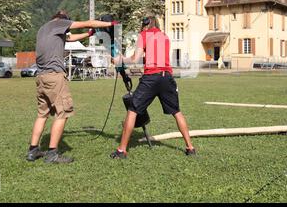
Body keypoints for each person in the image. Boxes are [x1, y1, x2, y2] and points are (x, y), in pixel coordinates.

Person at [27, 10, 118, 164]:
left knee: (42, 114)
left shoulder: (44, 29)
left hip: (41, 77)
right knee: (63, 113)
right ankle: (52, 154)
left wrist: (89, 35)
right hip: (54, 77)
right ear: (63, 20)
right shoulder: (60, 23)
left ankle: (33, 150)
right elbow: (87, 23)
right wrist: (111, 24)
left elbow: (69, 38)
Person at [111, 17, 196, 159]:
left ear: (146, 25)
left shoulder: (144, 35)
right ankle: (190, 147)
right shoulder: (165, 37)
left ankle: (122, 150)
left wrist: (119, 60)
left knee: (132, 110)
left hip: (151, 77)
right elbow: (155, 57)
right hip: (167, 77)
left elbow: (134, 59)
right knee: (176, 112)